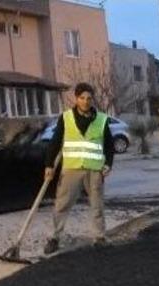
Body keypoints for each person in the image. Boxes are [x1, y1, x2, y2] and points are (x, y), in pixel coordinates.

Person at [43, 82, 114, 255]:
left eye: (89, 98)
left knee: (97, 205)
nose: (85, 101)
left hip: (94, 170)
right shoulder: (66, 118)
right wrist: (49, 165)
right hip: (71, 169)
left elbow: (109, 145)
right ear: (76, 99)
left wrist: (108, 164)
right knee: (62, 204)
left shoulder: (101, 119)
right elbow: (55, 142)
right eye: (82, 98)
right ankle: (54, 238)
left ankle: (99, 237)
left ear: (92, 99)